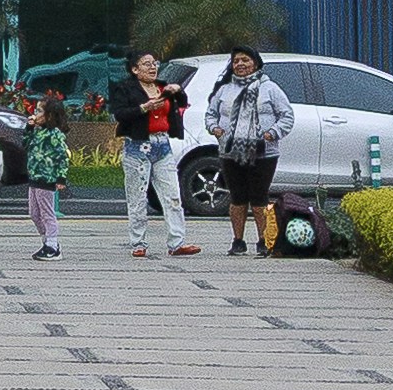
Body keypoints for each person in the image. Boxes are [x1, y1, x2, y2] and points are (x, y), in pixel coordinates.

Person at [208, 47, 296, 263]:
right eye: (236, 60)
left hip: (263, 153)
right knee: (237, 198)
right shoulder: (224, 89)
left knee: (259, 198)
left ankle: (263, 241)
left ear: (255, 63)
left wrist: (271, 133)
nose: (240, 64)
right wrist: (215, 129)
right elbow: (211, 114)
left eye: (245, 60)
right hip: (230, 152)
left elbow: (287, 116)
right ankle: (237, 241)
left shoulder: (270, 89)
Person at [114, 50, 196, 259]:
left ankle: (177, 242)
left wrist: (177, 90)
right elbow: (120, 113)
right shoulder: (126, 88)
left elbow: (182, 102)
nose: (152, 67)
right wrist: (144, 107)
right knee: (137, 197)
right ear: (135, 69)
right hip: (138, 147)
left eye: (154, 63)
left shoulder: (162, 86)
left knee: (172, 196)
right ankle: (138, 242)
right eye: (146, 64)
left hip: (162, 145)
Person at [20, 91, 74, 258]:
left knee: (47, 212)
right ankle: (47, 241)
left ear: (49, 116)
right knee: (34, 213)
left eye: (39, 111)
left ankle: (52, 244)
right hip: (35, 177)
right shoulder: (37, 131)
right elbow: (25, 144)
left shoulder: (55, 134)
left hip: (47, 177)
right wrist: (29, 128)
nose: (35, 114)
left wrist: (61, 177)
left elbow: (62, 156)